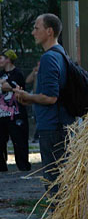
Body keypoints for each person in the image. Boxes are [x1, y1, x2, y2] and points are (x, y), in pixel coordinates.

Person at [14, 13, 75, 193]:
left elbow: (50, 97)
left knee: (53, 180)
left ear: (49, 31)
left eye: (36, 28)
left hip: (52, 127)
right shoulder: (61, 54)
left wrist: (28, 96)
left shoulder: (49, 58)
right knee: (60, 178)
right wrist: (29, 99)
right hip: (60, 124)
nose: (33, 32)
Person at [0, 49, 31, 172]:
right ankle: (2, 168)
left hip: (16, 114)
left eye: (1, 58)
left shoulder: (18, 73)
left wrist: (7, 86)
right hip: (2, 115)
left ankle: (23, 167)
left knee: (19, 141)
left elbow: (10, 87)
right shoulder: (1, 74)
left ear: (8, 59)